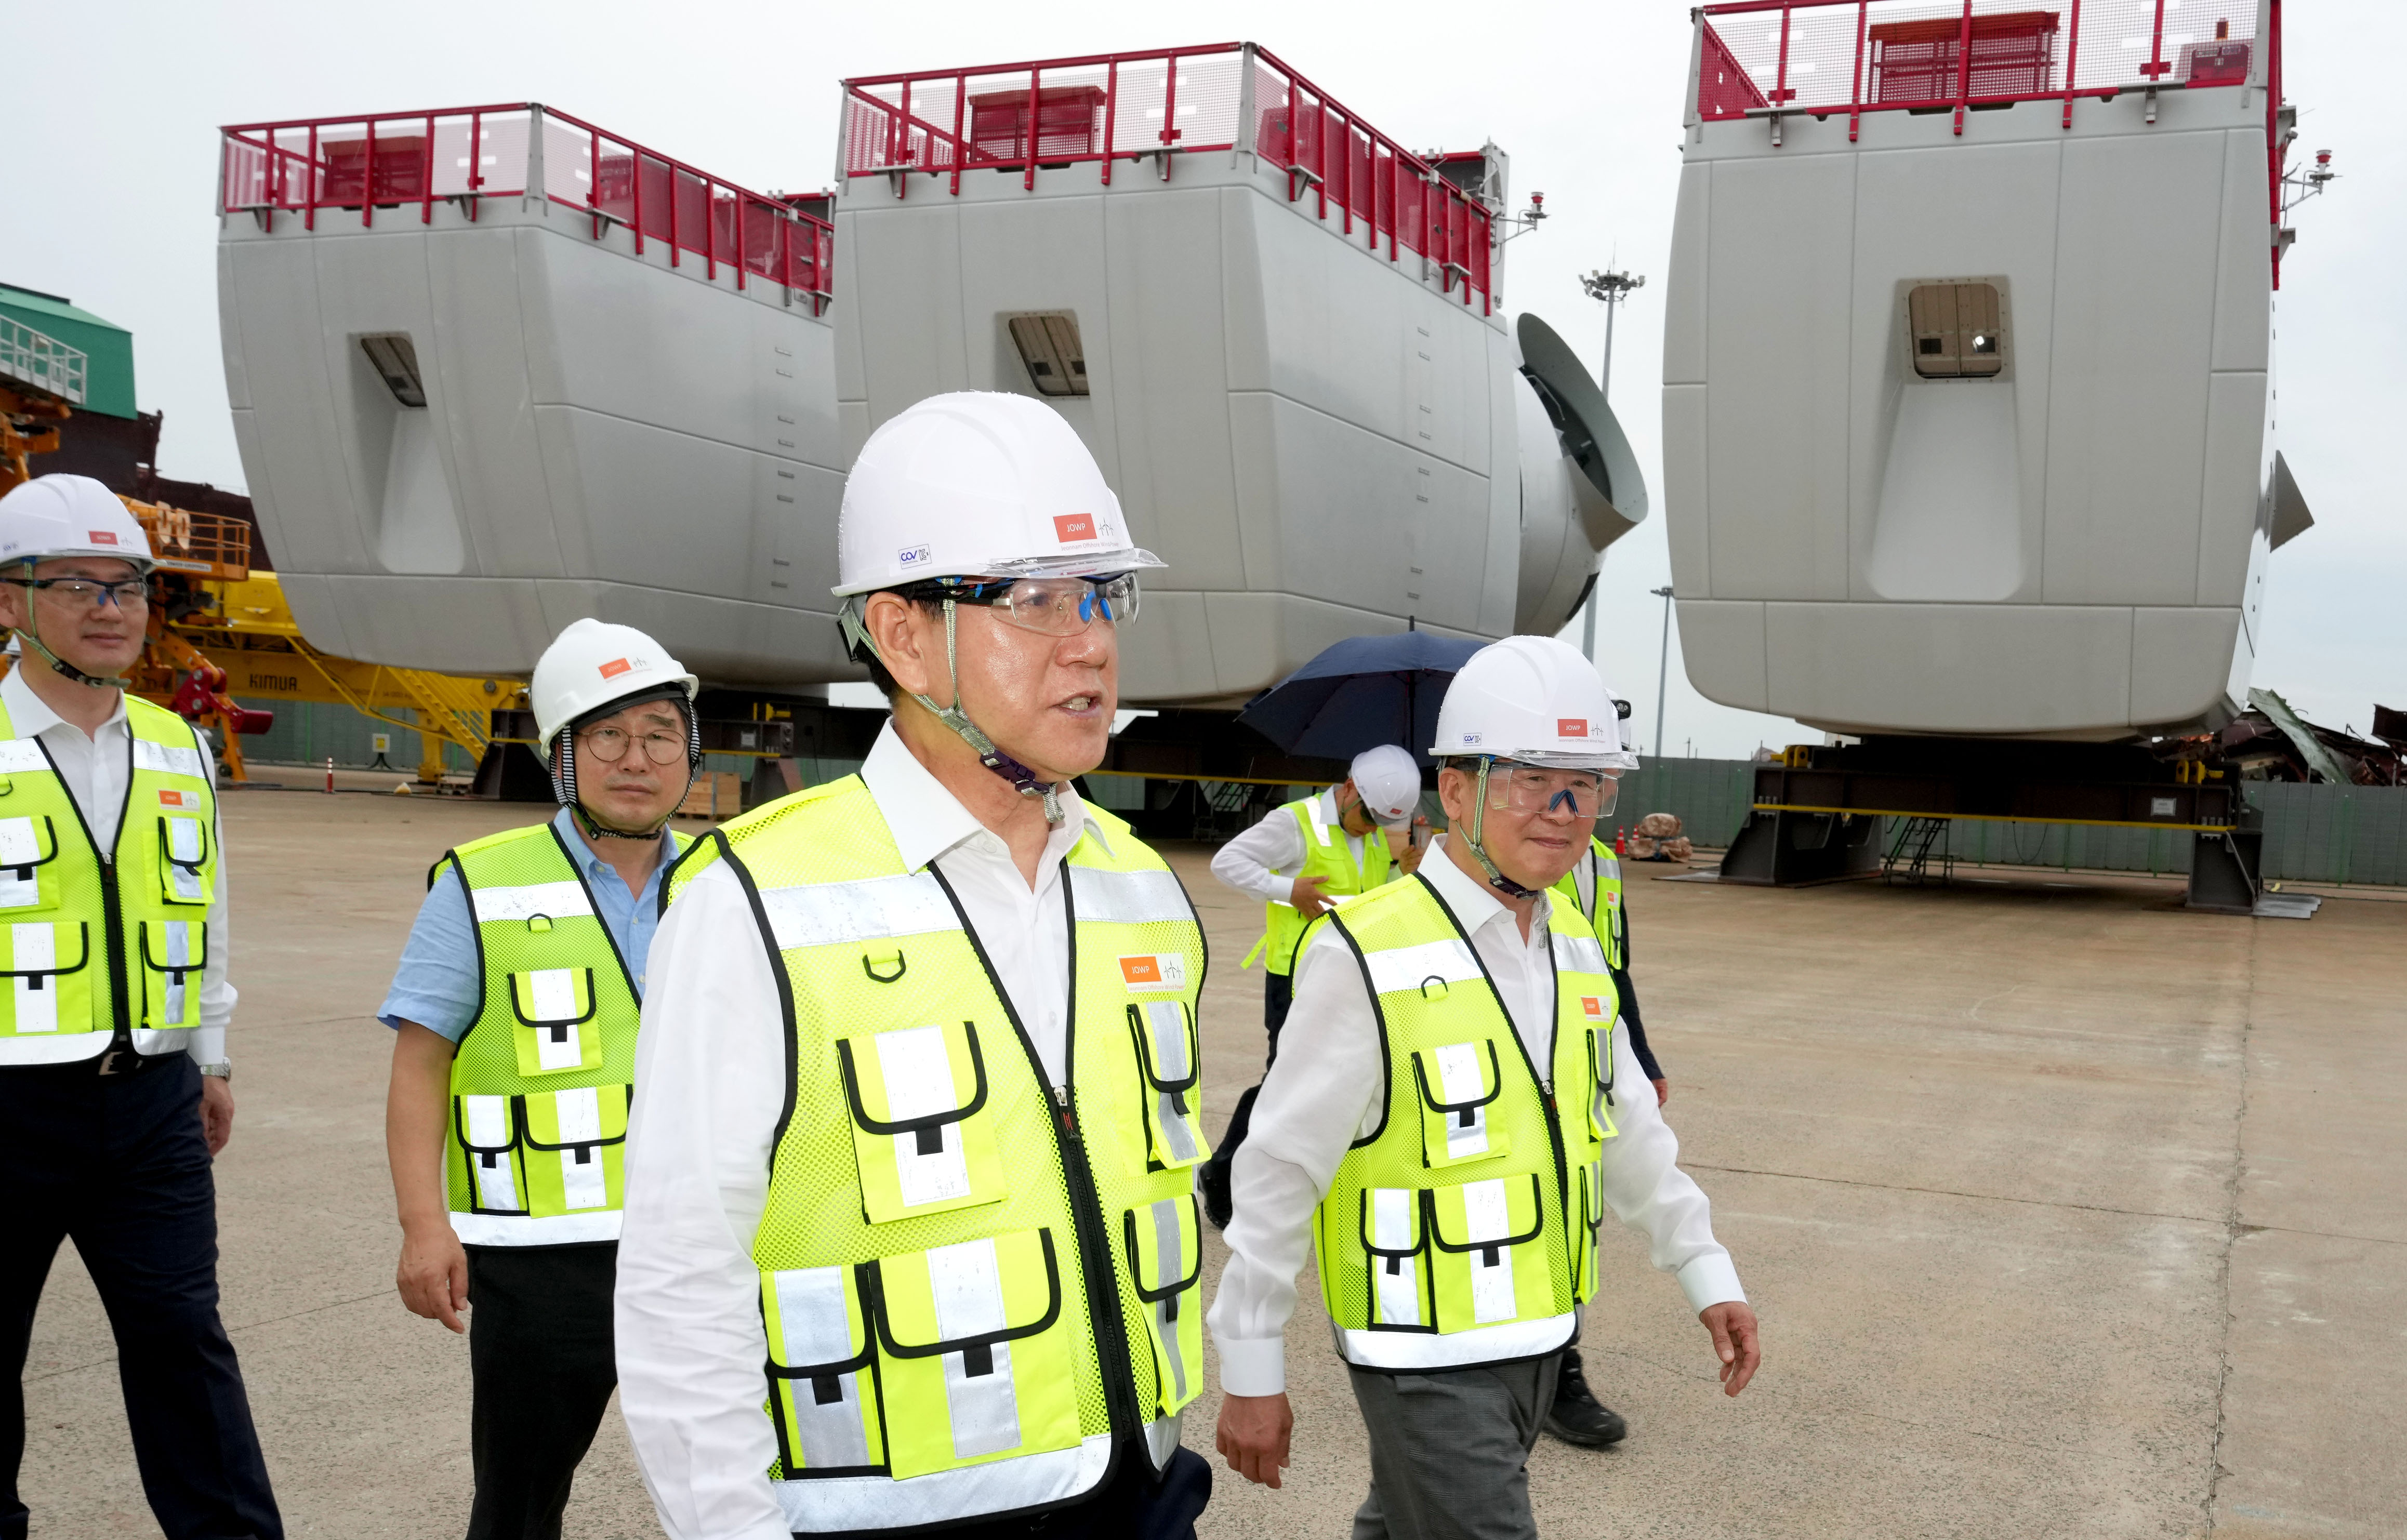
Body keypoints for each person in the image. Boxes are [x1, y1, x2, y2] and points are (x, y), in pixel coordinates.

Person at [616, 392, 1214, 1539]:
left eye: (1102, 595)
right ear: (900, 634)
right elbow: (683, 1285)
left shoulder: (1139, 884)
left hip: (1142, 1496)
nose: (1090, 640)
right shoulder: (752, 904)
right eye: (1035, 600)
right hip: (898, 1522)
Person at [1207, 634, 1762, 1540]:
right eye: (1524, 777)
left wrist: (1704, 1267)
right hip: (1420, 1354)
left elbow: (1623, 1128)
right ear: (1455, 790)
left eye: (1585, 783)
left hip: (1539, 1335)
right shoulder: (1363, 953)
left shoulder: (1575, 944)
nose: (1559, 807)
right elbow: (1276, 1168)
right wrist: (1251, 1358)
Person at [0, 475, 282, 1540]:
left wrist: (208, 1058)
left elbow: (201, 909)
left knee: (183, 1342)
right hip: (7, 1107)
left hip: (153, 1104)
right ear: (9, 602)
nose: (112, 606)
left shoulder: (178, 743)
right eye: (76, 583)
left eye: (130, 585)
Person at [378, 617, 699, 1539]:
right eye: (606, 735)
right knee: (520, 1501)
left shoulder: (727, 879)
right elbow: (420, 1061)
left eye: (658, 732)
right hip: (540, 1255)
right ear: (562, 754)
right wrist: (422, 1222)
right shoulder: (481, 882)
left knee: (741, 1488)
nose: (635, 758)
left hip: (702, 1242)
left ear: (690, 748)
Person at [1198, 745, 1424, 1229]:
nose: (1370, 826)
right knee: (1285, 1081)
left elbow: (1365, 895)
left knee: (1332, 1081)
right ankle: (1220, 1174)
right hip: (1296, 978)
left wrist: (1398, 871)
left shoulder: (1376, 835)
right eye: (1367, 814)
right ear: (1348, 789)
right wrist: (1289, 890)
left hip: (1353, 976)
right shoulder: (1295, 823)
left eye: (1381, 821)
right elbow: (1228, 862)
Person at [1540, 813, 1669, 1445]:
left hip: (1589, 1041)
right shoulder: (1521, 844)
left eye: (1596, 778)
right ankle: (1542, 1368)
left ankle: (1556, 1368)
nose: (1575, 795)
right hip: (1524, 1049)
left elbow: (1613, 967)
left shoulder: (1605, 861)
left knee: (1571, 1208)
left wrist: (1640, 1058)